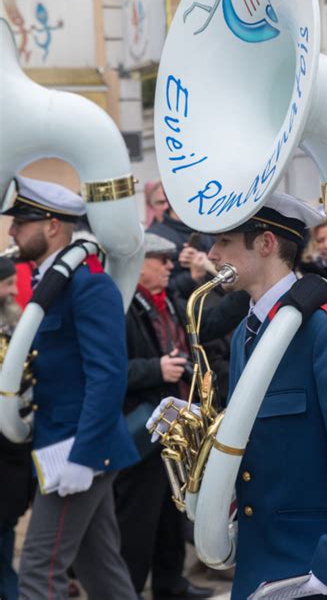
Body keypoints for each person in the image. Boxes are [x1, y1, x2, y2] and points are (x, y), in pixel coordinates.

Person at [149, 193, 327, 600]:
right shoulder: (247, 331)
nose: (211, 254)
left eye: (224, 242)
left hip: (313, 569)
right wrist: (200, 425)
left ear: (265, 243)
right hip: (257, 563)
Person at [2, 175, 139, 599]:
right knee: (102, 571)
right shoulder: (54, 284)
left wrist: (83, 458)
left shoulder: (88, 285)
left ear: (52, 226)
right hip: (61, 444)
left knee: (39, 570)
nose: (11, 232)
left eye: (20, 223)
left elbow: (108, 375)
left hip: (79, 450)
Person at [114, 233, 213, 600]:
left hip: (174, 425)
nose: (172, 266)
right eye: (162, 260)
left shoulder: (170, 301)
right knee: (137, 518)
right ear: (140, 264)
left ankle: (171, 584)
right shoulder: (122, 305)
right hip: (142, 428)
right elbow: (109, 371)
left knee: (173, 514)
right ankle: (128, 589)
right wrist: (156, 369)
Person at [0, 257, 33, 600]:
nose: (13, 291)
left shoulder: (14, 318)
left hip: (14, 446)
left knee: (7, 525)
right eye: (7, 284)